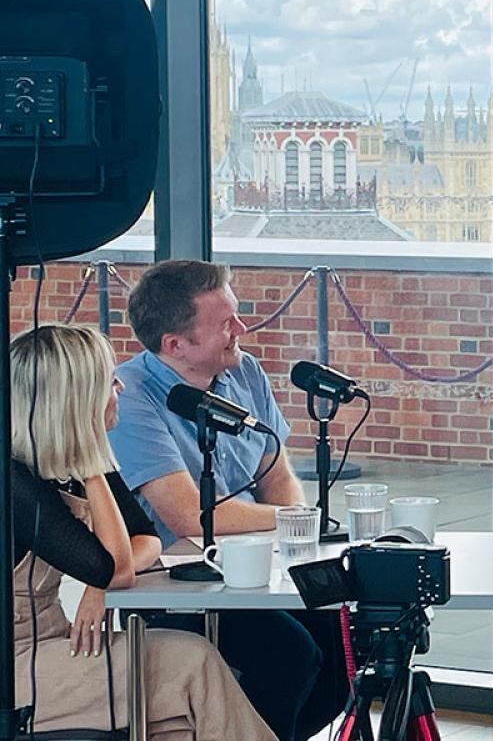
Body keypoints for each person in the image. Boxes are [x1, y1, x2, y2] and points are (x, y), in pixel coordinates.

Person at [108, 260, 346, 741]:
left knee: (342, 654)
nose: (242, 329)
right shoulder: (130, 395)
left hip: (255, 569)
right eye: (226, 324)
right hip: (177, 585)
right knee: (290, 656)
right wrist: (297, 522)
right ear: (175, 345)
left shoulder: (244, 371)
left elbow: (274, 471)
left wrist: (294, 529)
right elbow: (190, 516)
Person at [9, 324, 275, 740]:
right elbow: (113, 568)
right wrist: (91, 454)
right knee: (194, 661)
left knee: (178, 728)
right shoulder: (16, 483)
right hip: (16, 667)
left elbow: (146, 537)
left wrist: (101, 585)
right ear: (77, 402)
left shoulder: (76, 462)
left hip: (57, 643)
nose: (121, 388)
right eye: (108, 382)